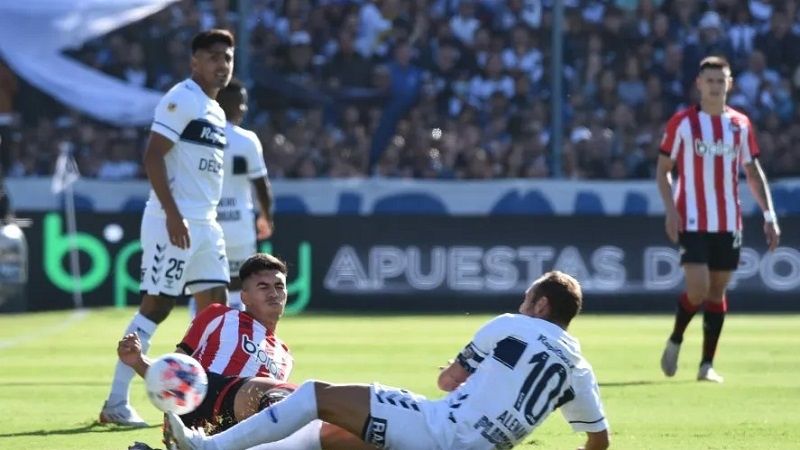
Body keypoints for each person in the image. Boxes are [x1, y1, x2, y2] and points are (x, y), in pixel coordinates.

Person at [166, 271, 611, 450]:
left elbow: (449, 381)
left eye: (527, 297)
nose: (522, 301)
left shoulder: (513, 325)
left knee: (316, 395)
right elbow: (599, 441)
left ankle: (206, 446)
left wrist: (461, 377)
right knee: (331, 435)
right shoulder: (579, 369)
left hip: (438, 429)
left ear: (540, 307)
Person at [101, 29, 236, 426]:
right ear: (194, 62)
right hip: (171, 221)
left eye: (227, 58)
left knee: (215, 314)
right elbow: (153, 157)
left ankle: (205, 401)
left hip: (206, 225)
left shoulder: (216, 110)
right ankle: (115, 403)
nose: (222, 65)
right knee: (156, 307)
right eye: (213, 57)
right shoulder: (181, 99)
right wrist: (174, 214)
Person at [120, 253, 374, 450]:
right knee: (303, 397)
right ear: (245, 296)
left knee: (339, 432)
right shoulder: (218, 315)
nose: (274, 293)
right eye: (263, 287)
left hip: (248, 425)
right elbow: (175, 372)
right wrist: (138, 362)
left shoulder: (285, 355)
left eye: (279, 286)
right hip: (203, 403)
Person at [657, 56, 781, 383]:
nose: (715, 86)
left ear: (730, 83)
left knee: (717, 292)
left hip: (728, 221)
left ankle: (706, 365)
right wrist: (671, 210)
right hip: (692, 219)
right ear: (699, 84)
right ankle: (676, 338)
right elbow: (663, 170)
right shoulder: (682, 123)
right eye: (709, 80)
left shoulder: (739, 125)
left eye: (720, 80)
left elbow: (753, 172)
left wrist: (769, 216)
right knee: (697, 289)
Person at [190, 78, 274, 315]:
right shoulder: (246, 140)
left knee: (205, 284)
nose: (244, 109)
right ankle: (234, 338)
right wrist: (266, 217)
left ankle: (198, 339)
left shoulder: (198, 138)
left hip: (206, 225)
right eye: (242, 104)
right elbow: (261, 185)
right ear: (235, 105)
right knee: (239, 283)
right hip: (238, 226)